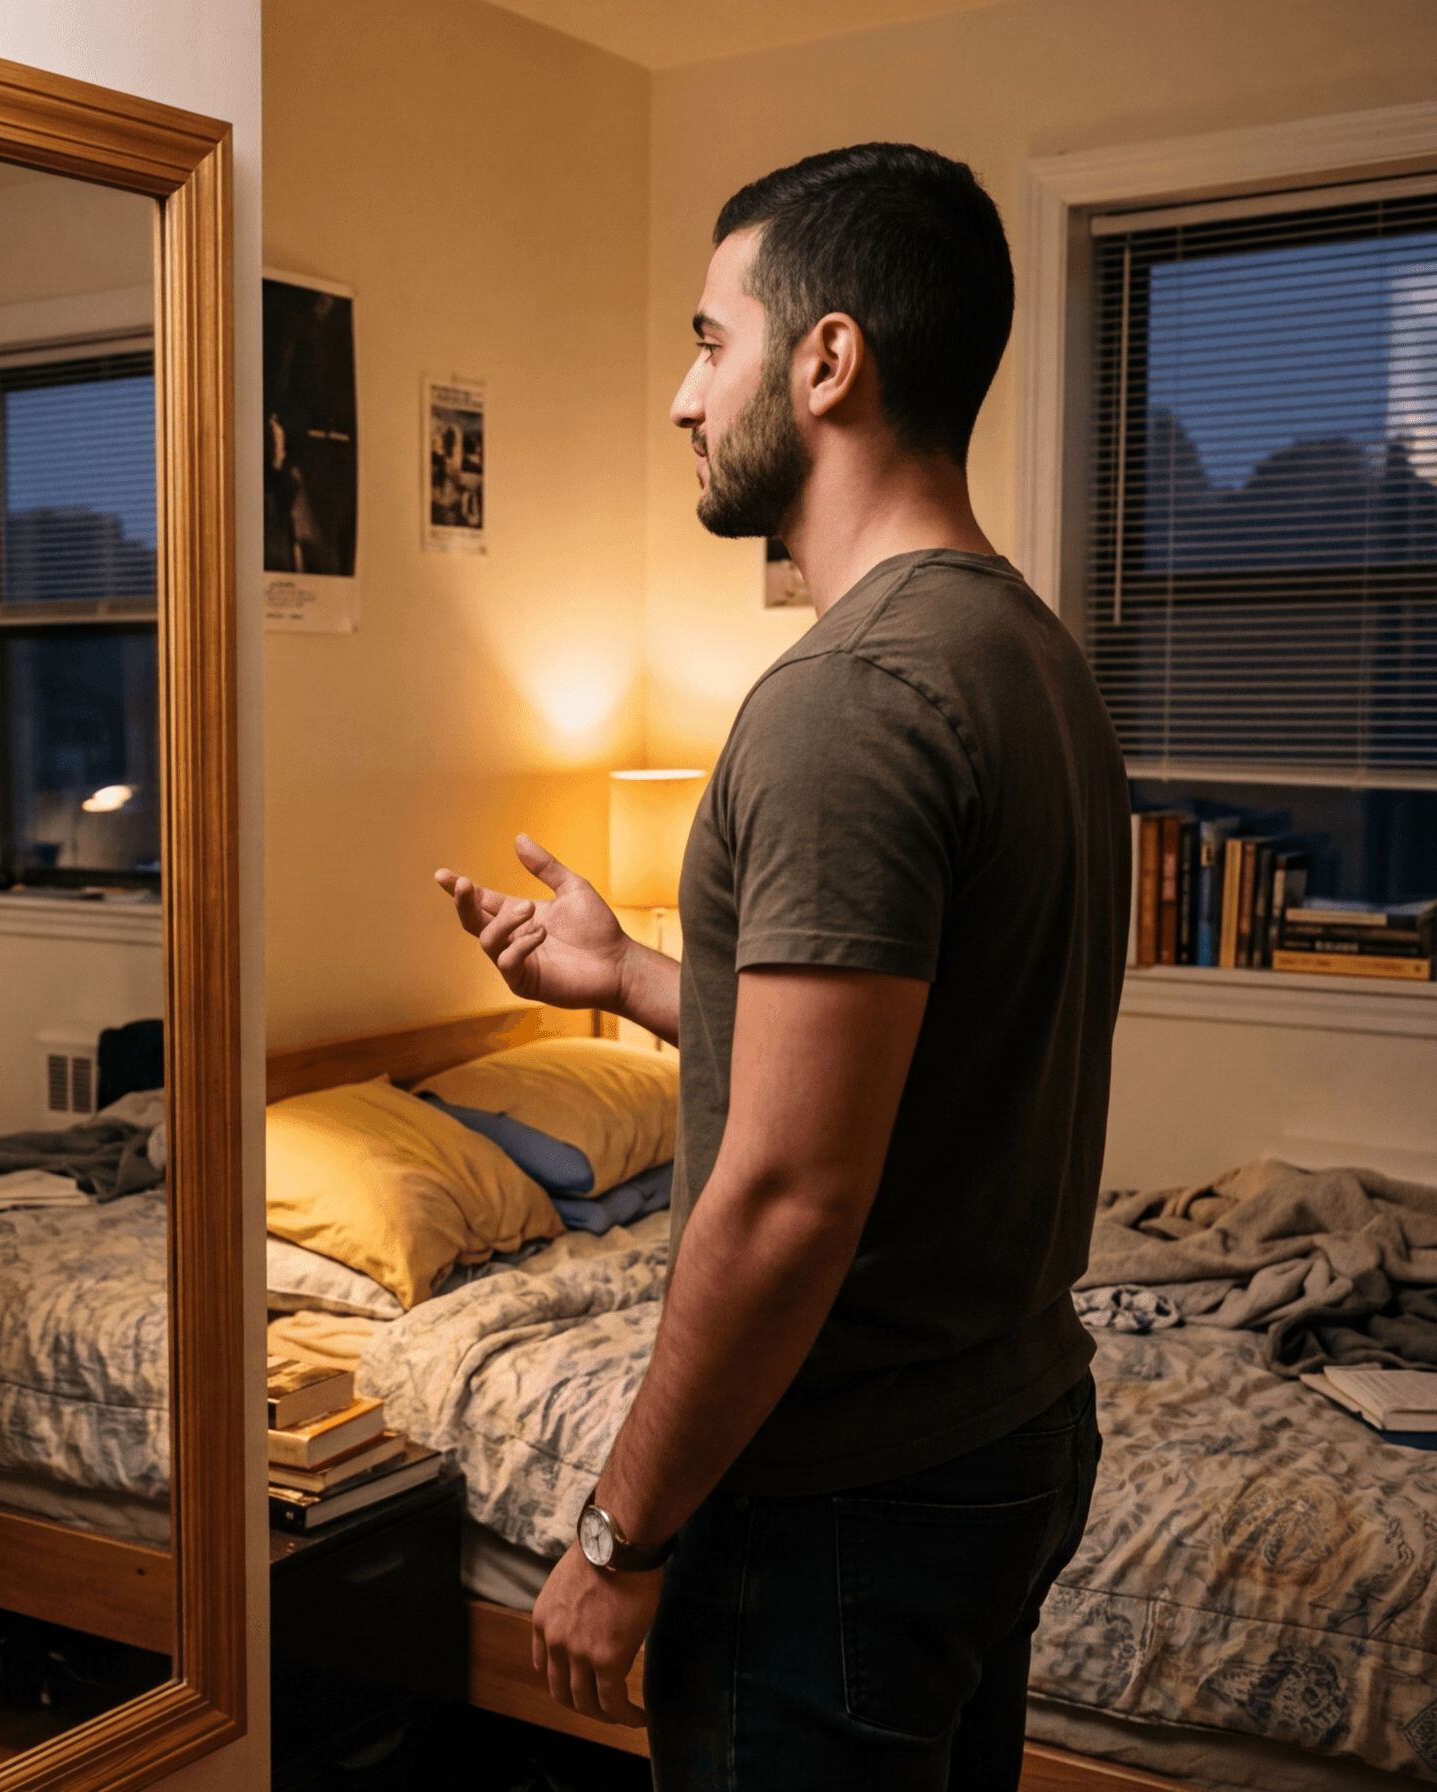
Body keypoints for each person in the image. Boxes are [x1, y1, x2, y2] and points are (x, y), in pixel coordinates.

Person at [436, 144, 1129, 1790]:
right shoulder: (1026, 655)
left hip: (847, 1502)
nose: (685, 398)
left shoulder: (847, 699)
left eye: (709, 340)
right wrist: (627, 981)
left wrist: (621, 1529)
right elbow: (913, 1058)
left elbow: (788, 1194)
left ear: (828, 360)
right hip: (1007, 1430)